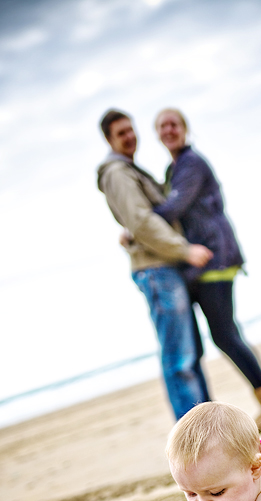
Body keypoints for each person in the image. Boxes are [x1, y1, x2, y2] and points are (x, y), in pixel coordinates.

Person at [152, 108, 261, 432]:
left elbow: (174, 207)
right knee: (219, 336)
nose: (169, 130)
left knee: (225, 335)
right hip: (199, 263)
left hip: (215, 257)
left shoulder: (191, 163)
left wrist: (135, 227)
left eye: (174, 124)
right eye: (163, 126)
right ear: (158, 134)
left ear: (185, 129)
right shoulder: (173, 169)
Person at [97, 108, 214, 420]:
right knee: (180, 358)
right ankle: (195, 438)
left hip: (163, 267)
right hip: (157, 269)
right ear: (109, 140)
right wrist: (184, 250)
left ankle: (209, 429)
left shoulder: (130, 170)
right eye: (121, 133)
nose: (130, 137)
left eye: (131, 130)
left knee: (189, 354)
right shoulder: (117, 173)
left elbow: (138, 220)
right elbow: (142, 221)